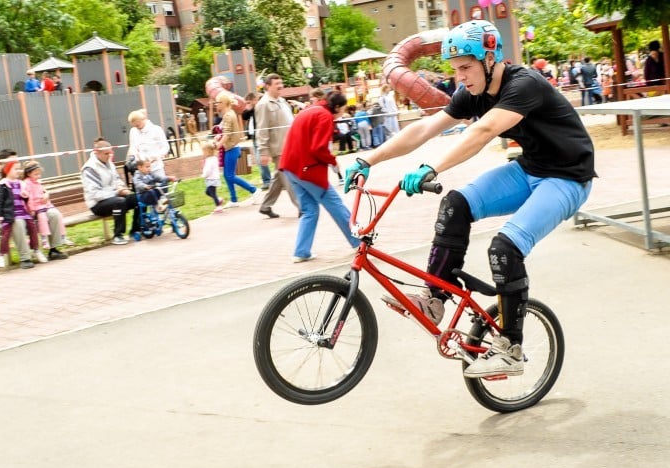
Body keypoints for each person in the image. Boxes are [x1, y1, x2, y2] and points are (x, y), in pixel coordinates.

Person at [344, 20, 594, 378]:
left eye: (465, 67)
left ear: (490, 58)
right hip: (529, 170)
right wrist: (368, 158)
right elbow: (424, 129)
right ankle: (435, 299)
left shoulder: (525, 85)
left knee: (504, 248)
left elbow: (484, 130)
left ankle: (511, 348)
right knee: (455, 204)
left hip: (568, 178)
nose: (459, 77)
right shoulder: (473, 90)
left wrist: (432, 167)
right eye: (455, 69)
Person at [278, 90, 360, 264]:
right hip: (307, 169)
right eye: (342, 109)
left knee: (309, 210)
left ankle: (301, 251)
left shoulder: (311, 110)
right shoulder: (324, 116)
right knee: (335, 204)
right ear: (336, 107)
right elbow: (319, 148)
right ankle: (358, 241)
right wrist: (333, 161)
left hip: (291, 167)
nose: (342, 113)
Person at [254, 73, 299, 219]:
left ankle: (265, 206)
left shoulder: (282, 101)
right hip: (278, 148)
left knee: (279, 178)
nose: (280, 86)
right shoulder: (263, 104)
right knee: (288, 176)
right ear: (267, 86)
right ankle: (302, 207)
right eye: (276, 84)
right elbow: (262, 129)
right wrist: (263, 152)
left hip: (290, 145)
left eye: (281, 83)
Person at [81, 138, 139, 245]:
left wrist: (123, 188)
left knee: (136, 198)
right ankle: (118, 235)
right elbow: (95, 194)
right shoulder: (89, 168)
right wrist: (117, 192)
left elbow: (116, 179)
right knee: (119, 202)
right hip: (97, 204)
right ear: (96, 153)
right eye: (106, 153)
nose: (109, 156)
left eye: (110, 153)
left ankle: (136, 229)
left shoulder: (109, 163)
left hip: (114, 196)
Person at [214, 92, 259, 209]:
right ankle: (234, 199)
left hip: (232, 148)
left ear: (223, 103)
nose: (216, 105)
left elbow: (227, 134)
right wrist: (219, 137)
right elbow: (226, 132)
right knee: (227, 175)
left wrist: (218, 145)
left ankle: (254, 190)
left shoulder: (228, 115)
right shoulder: (228, 114)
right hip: (230, 148)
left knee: (230, 175)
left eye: (217, 102)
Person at [0, 159, 43, 267]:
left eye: (19, 169)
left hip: (23, 212)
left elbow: (25, 200)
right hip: (10, 214)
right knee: (5, 235)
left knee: (33, 228)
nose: (18, 171)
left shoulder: (21, 184)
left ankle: (35, 249)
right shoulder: (3, 184)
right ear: (7, 170)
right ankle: (1, 254)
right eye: (15, 169)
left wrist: (25, 197)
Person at [22, 160, 70, 260]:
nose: (38, 176)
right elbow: (28, 199)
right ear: (28, 173)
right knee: (45, 217)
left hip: (43, 207)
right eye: (36, 174)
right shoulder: (25, 183)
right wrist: (31, 210)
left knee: (55, 214)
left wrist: (46, 195)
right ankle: (44, 242)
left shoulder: (37, 181)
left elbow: (43, 191)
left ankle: (54, 249)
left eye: (39, 174)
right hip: (33, 211)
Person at [132, 158, 176, 231]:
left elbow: (159, 178)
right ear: (140, 167)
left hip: (153, 193)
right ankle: (158, 206)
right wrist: (145, 186)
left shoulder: (150, 173)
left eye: (150, 166)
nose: (149, 168)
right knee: (151, 191)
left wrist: (169, 178)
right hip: (143, 196)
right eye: (147, 167)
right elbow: (138, 183)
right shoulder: (137, 175)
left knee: (164, 183)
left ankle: (163, 201)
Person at [126, 110, 170, 182]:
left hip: (156, 167)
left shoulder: (156, 129)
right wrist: (136, 158)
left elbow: (165, 147)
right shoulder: (133, 131)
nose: (136, 127)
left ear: (143, 119)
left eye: (138, 125)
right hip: (141, 170)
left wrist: (156, 156)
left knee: (161, 189)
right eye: (134, 126)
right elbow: (132, 147)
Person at [201, 141, 225, 213]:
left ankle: (218, 206)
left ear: (207, 152)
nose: (203, 153)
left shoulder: (209, 160)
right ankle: (218, 199)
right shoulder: (214, 158)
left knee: (212, 193)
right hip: (214, 178)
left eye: (203, 151)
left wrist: (204, 175)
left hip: (211, 179)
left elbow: (208, 170)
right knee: (208, 192)